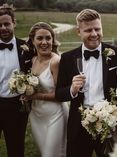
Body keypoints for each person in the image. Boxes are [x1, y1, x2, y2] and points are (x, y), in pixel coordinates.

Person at [55, 9, 117, 157]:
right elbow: (59, 94)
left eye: (97, 29)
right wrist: (72, 89)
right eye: (88, 30)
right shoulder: (68, 58)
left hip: (110, 124)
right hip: (79, 125)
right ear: (78, 31)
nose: (94, 34)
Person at [24, 22, 68, 157]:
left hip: (55, 115)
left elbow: (61, 95)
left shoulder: (56, 62)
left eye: (48, 38)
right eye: (40, 38)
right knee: (44, 153)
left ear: (53, 40)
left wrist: (35, 96)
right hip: (36, 115)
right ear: (32, 40)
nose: (44, 42)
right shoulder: (32, 60)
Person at [0, 4, 33, 157]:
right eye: (0, 25)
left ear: (14, 22)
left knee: (16, 148)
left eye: (6, 23)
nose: (3, 27)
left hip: (16, 106)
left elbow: (35, 74)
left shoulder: (26, 48)